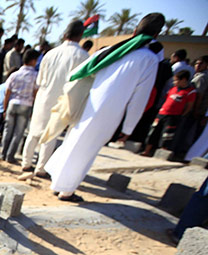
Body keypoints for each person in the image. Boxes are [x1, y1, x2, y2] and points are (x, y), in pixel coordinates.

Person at [44, 13, 165, 202]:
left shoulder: (112, 50)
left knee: (73, 141)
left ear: (135, 31)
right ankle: (66, 190)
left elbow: (79, 72)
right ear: (157, 35)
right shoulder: (148, 59)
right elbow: (140, 97)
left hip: (88, 103)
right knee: (86, 151)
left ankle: (57, 183)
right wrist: (128, 128)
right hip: (108, 111)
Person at [19, 21, 88, 179]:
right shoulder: (82, 56)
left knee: (34, 132)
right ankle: (41, 168)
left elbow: (39, 80)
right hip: (63, 99)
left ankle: (26, 163)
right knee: (51, 134)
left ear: (64, 35)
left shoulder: (49, 54)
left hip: (43, 96)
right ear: (80, 36)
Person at [141, 70, 196, 158]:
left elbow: (189, 106)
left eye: (176, 80)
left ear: (184, 80)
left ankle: (162, 154)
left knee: (167, 135)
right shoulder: (173, 89)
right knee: (153, 132)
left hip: (173, 116)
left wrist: (181, 115)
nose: (174, 82)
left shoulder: (190, 92)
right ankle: (147, 151)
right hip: (162, 113)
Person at [0, 49, 39, 164]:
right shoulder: (35, 75)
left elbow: (7, 92)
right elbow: (35, 93)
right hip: (25, 105)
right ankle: (10, 156)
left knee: (8, 130)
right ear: (33, 61)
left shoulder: (14, 74)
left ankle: (3, 153)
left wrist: (5, 107)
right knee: (18, 132)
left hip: (12, 103)